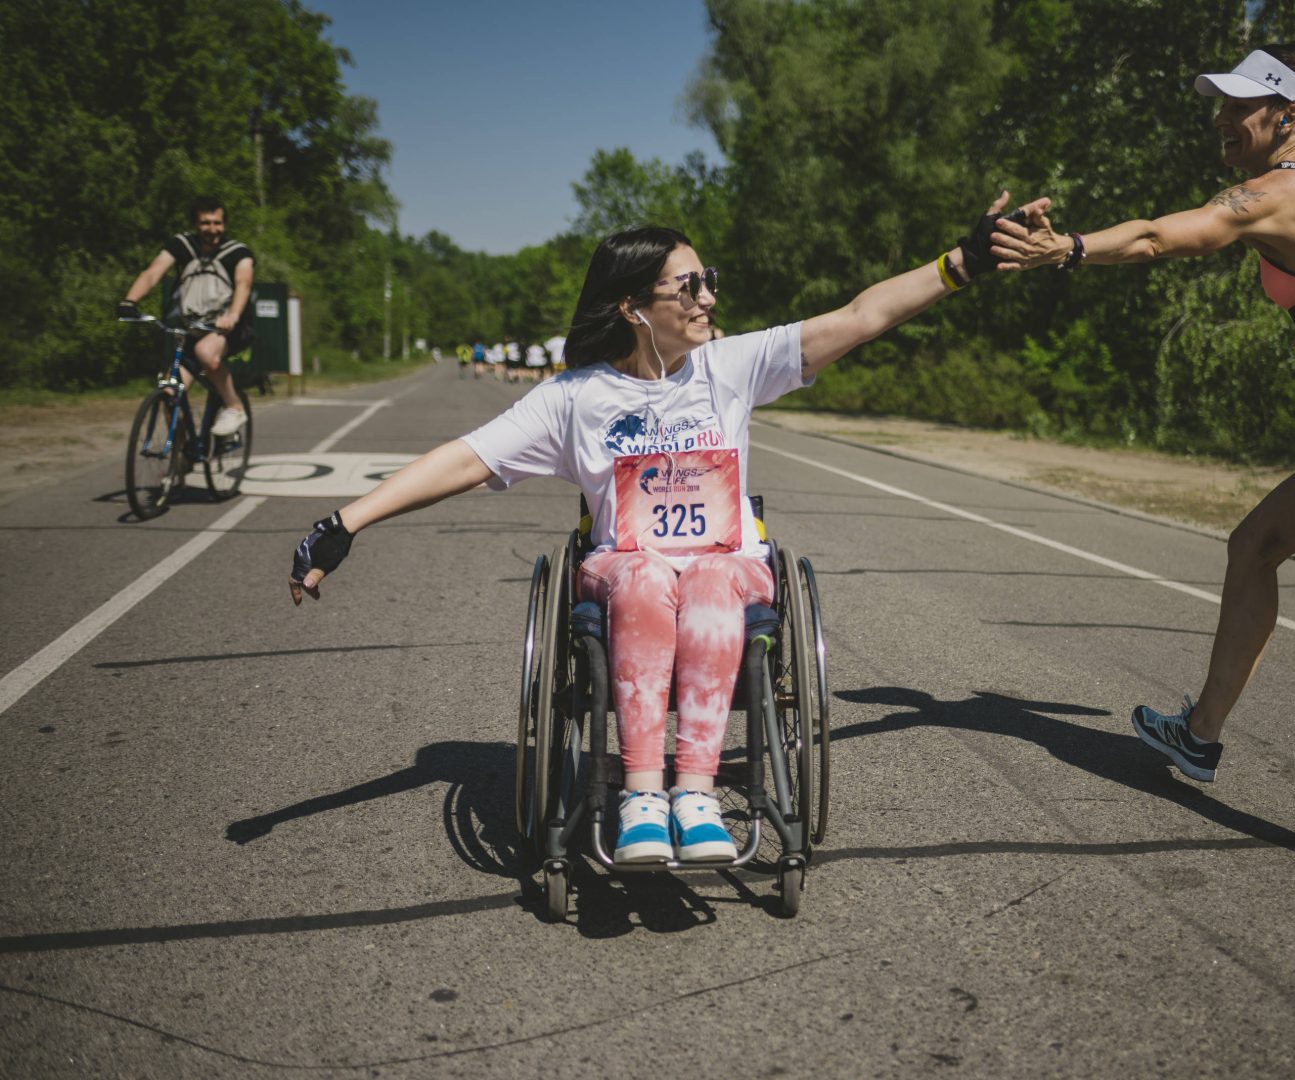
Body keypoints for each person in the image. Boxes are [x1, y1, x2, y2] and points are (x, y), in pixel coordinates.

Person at [288, 196, 1035, 864]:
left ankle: (697, 794)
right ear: (633, 308)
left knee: (710, 577)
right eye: (690, 285)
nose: (709, 296)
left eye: (707, 279)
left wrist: (963, 261)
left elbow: (861, 316)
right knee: (644, 573)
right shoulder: (572, 400)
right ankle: (643, 793)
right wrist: (344, 523)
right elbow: (463, 459)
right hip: (625, 577)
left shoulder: (730, 367)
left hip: (728, 569)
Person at [991, 43, 1295, 889]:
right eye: (1221, 103)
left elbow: (1156, 237)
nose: (1222, 118)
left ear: (1289, 115)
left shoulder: (1268, 194)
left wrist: (1063, 249)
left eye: (1241, 105)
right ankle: (1200, 733)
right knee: (1254, 545)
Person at [118, 195, 254, 436]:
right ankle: (181, 458)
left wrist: (232, 315)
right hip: (193, 328)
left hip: (228, 327)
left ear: (224, 224)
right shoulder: (181, 246)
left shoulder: (237, 252)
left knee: (206, 354)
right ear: (195, 224)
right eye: (205, 223)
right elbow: (153, 272)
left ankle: (234, 407)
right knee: (169, 391)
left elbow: (243, 283)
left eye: (217, 223)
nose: (212, 229)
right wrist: (130, 301)